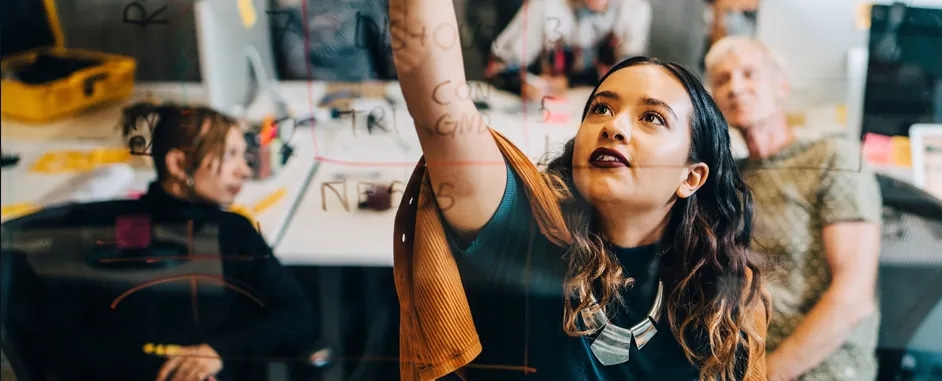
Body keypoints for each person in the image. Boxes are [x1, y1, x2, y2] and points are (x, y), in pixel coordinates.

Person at [388, 1, 771, 380]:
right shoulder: (523, 233)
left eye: (651, 117)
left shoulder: (725, 295)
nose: (614, 127)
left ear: (691, 177)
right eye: (600, 109)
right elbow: (440, 109)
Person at [16, 103, 319, 381]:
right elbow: (70, 340)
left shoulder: (227, 231)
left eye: (242, 155)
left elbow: (298, 317)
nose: (245, 170)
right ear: (178, 164)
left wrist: (215, 351)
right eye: (229, 156)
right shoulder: (228, 232)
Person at [705, 37, 882, 381]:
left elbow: (854, 295)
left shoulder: (831, 160)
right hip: (739, 362)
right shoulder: (724, 179)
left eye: (749, 74)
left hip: (821, 365)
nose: (736, 87)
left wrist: (769, 374)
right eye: (723, 80)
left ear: (781, 87)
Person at [486, 0, 652, 101]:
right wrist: (524, 85)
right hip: (545, 114)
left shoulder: (634, 9)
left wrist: (567, 83)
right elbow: (497, 67)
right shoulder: (545, 6)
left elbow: (630, 79)